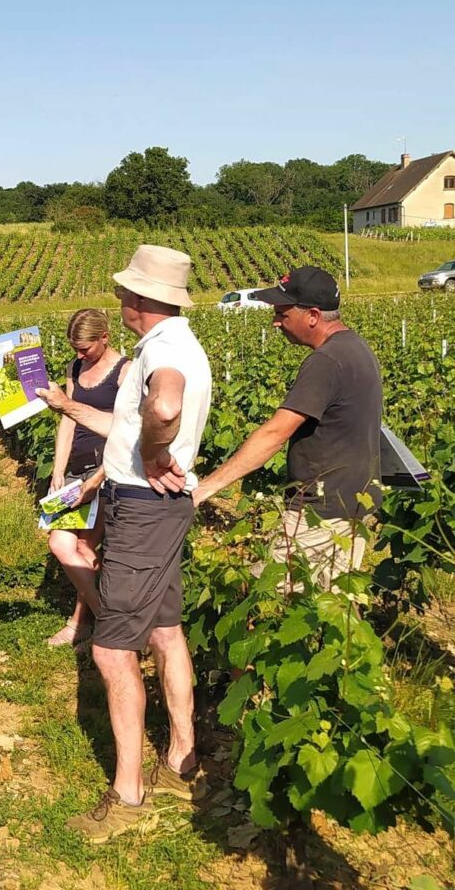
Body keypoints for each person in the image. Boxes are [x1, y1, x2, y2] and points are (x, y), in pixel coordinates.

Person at [36, 244, 212, 842]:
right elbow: (125, 426)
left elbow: (163, 406)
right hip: (161, 508)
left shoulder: (163, 352)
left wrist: (160, 450)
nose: (118, 299)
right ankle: (182, 755)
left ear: (142, 300)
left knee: (112, 653)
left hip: (140, 510)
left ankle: (129, 795)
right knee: (165, 630)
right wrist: (68, 407)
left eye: (125, 292)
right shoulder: (179, 343)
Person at [193, 266, 382, 588]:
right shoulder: (356, 347)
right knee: (329, 604)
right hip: (350, 502)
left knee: (271, 601)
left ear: (312, 315)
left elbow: (274, 434)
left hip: (321, 513)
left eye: (282, 313)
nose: (275, 321)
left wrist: (204, 489)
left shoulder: (326, 361)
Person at [45, 309, 128, 648]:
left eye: (85, 348)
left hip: (108, 470)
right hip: (76, 469)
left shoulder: (125, 372)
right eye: (75, 348)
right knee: (59, 543)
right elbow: (67, 418)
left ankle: (81, 625)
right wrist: (58, 469)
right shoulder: (74, 368)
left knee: (84, 546)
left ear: (104, 338)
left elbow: (127, 433)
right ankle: (104, 621)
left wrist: (99, 478)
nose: (79, 355)